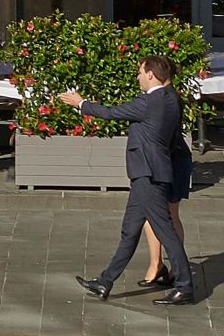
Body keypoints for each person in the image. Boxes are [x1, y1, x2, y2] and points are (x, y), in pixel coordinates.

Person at [63, 56, 201, 305]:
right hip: (149, 173)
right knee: (130, 231)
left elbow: (110, 113)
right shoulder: (172, 99)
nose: (137, 77)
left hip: (148, 175)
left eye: (140, 72)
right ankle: (105, 281)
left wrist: (80, 103)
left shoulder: (149, 102)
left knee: (166, 232)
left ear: (150, 74)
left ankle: (185, 287)